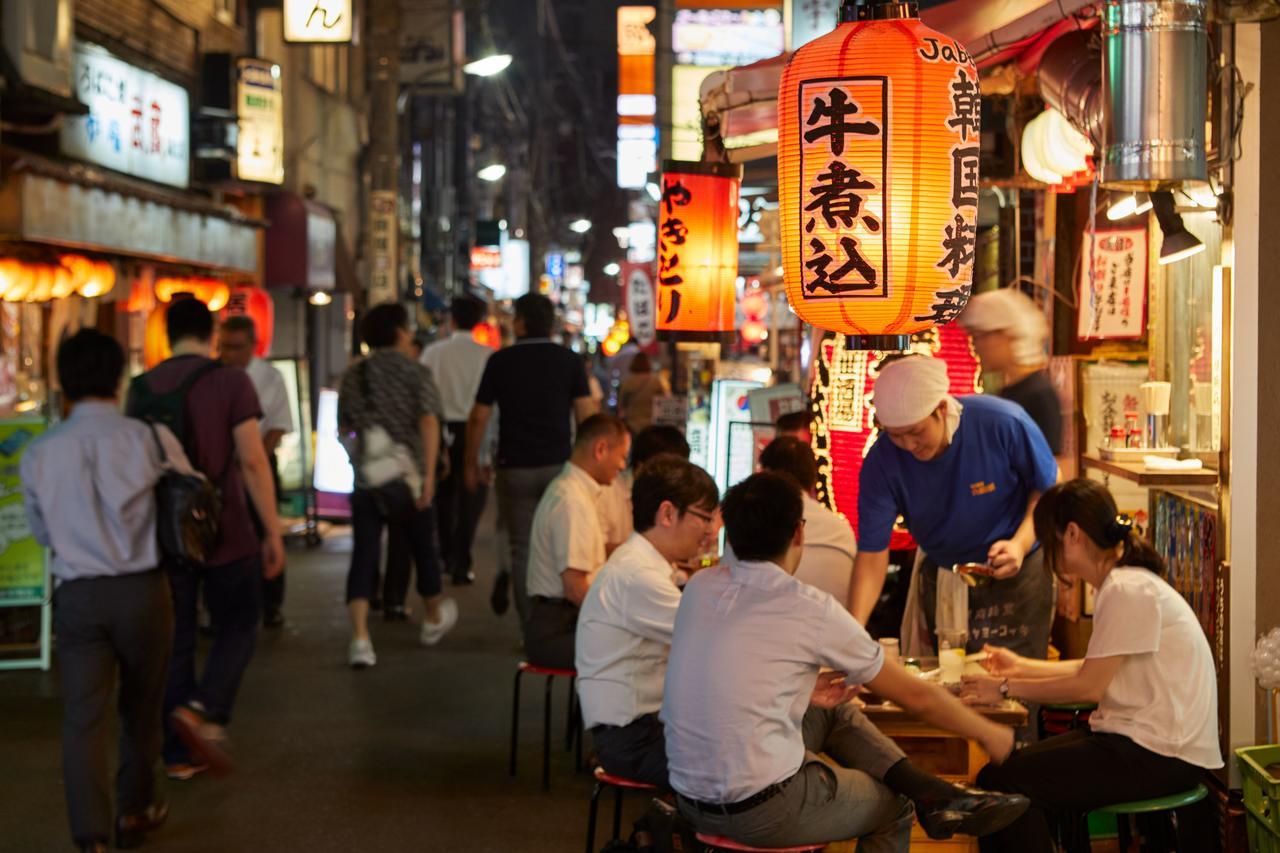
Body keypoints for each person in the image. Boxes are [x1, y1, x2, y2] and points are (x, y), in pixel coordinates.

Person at [661, 472, 1029, 850]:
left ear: (730, 533)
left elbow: (725, 678)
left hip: (688, 798)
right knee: (896, 806)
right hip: (760, 809)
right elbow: (915, 697)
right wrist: (989, 733)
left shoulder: (700, 588)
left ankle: (934, 793)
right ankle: (927, 795)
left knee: (833, 711)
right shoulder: (805, 606)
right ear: (799, 533)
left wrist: (801, 688)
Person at [961, 478, 1220, 853]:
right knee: (1000, 775)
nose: (1048, 552)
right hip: (1149, 743)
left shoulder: (1126, 588)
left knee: (1005, 782)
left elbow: (1089, 686)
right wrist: (1019, 667)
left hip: (1161, 753)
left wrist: (1004, 687)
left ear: (1072, 534)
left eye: (1048, 541)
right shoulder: (1124, 583)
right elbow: (1093, 668)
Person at [23, 330, 192, 853]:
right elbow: (192, 500)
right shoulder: (150, 439)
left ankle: (91, 835)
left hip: (78, 596)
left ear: (63, 381)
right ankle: (136, 810)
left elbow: (42, 532)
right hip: (143, 592)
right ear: (119, 378)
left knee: (83, 718)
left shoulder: (38, 453)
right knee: (141, 709)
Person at [126, 298, 285, 780]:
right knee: (239, 621)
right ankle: (202, 706)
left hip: (164, 531)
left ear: (167, 333)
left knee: (176, 638)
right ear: (212, 333)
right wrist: (272, 530)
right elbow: (254, 461)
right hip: (226, 528)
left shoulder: (141, 388)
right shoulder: (230, 380)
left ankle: (178, 755)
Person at [849, 355, 1058, 660]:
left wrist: (1019, 544)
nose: (908, 445)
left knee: (1015, 687)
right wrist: (854, 629)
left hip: (1020, 569)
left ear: (942, 409)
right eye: (896, 435)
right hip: (945, 574)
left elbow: (1050, 488)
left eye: (916, 431)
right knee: (949, 683)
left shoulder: (1002, 422)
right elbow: (872, 555)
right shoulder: (882, 462)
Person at [576, 455, 718, 787]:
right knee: (741, 768)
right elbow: (713, 640)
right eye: (705, 518)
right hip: (633, 740)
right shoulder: (637, 575)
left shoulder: (644, 564)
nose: (711, 531)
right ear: (667, 513)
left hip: (642, 729)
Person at [464, 293, 597, 623]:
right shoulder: (569, 361)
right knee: (563, 544)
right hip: (559, 466)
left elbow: (479, 416)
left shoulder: (500, 361)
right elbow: (586, 415)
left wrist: (471, 462)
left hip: (515, 466)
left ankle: (530, 629)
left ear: (520, 322)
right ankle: (562, 618)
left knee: (521, 547)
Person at [338, 303, 454, 668]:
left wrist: (358, 463)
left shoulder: (355, 376)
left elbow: (344, 428)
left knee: (365, 554)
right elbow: (429, 422)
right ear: (402, 332)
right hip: (409, 479)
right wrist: (429, 476)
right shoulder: (415, 372)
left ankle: (360, 639)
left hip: (368, 480)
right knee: (423, 547)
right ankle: (433, 617)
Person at [524, 414, 630, 669]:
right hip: (556, 631)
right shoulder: (571, 500)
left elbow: (591, 554)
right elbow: (574, 588)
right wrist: (617, 619)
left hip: (566, 622)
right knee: (634, 654)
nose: (623, 465)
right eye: (622, 456)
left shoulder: (576, 492)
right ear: (601, 449)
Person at [218, 316, 295, 628]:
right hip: (222, 468)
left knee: (266, 528)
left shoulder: (268, 377)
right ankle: (225, 603)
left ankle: (271, 603)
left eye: (236, 347)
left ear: (252, 345)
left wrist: (256, 457)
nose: (229, 354)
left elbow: (278, 425)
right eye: (224, 347)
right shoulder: (215, 374)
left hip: (257, 464)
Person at [420, 294, 493, 586]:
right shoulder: (487, 355)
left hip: (439, 428)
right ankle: (461, 560)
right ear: (481, 322)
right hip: (477, 428)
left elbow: (423, 395)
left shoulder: (434, 353)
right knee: (472, 498)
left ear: (452, 320)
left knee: (443, 495)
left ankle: (446, 555)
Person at [959, 288, 1063, 457]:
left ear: (1006, 335)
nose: (975, 345)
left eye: (979, 336)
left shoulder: (1038, 395)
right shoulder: (1010, 391)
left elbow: (1048, 469)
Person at [758, 436, 857, 605]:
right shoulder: (842, 530)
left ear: (766, 474)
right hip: (834, 628)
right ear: (813, 481)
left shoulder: (753, 523)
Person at [597, 424, 692, 549]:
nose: (673, 479)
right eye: (668, 471)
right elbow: (597, 548)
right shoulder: (607, 491)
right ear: (642, 465)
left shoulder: (665, 497)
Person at [618, 352, 668, 433]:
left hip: (632, 424)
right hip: (651, 423)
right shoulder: (656, 382)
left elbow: (621, 405)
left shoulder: (628, 383)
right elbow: (664, 401)